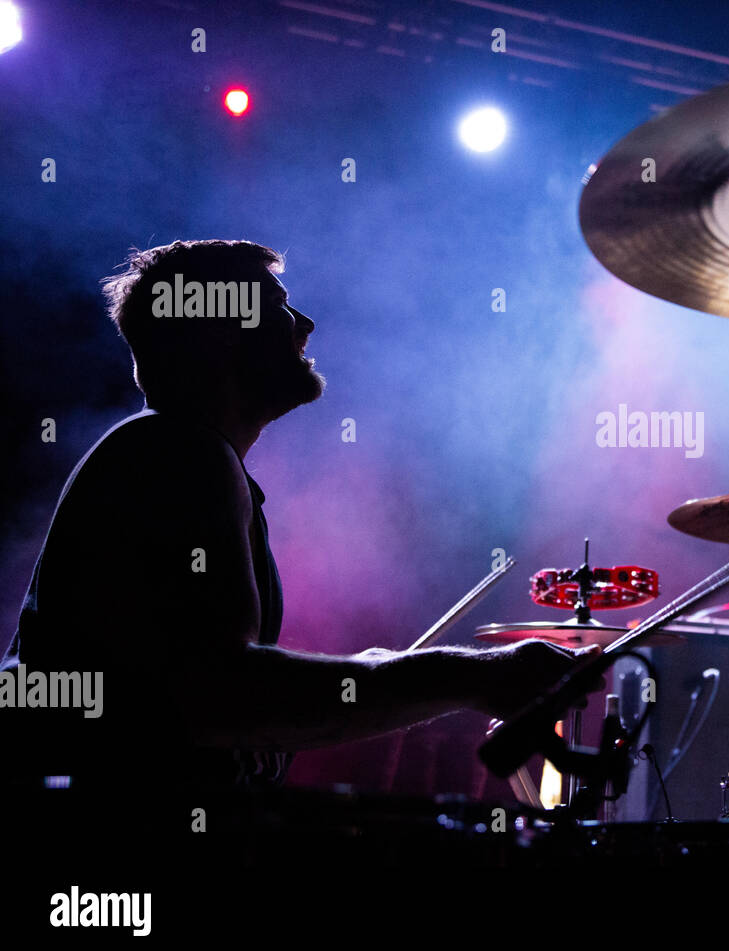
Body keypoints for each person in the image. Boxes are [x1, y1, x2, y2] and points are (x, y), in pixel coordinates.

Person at [0, 239, 592, 796]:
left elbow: (196, 689)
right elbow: (223, 691)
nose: (305, 327)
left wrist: (413, 677)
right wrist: (472, 677)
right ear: (220, 337)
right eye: (280, 307)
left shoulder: (180, 454)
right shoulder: (177, 453)